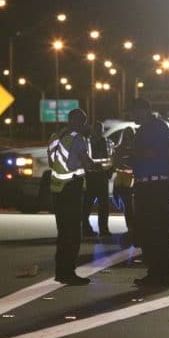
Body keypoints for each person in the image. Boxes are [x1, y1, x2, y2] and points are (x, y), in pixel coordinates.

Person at [48, 108, 95, 285]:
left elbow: (52, 162)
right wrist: (96, 165)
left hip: (57, 189)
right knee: (73, 234)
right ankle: (69, 273)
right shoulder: (78, 139)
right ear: (80, 122)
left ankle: (60, 272)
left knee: (63, 233)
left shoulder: (55, 137)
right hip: (72, 189)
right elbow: (86, 163)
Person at [130, 98, 169, 288]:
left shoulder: (159, 127)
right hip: (143, 185)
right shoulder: (141, 130)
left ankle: (164, 274)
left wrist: (133, 151)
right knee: (146, 232)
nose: (132, 116)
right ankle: (154, 272)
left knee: (158, 231)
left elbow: (152, 152)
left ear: (145, 110)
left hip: (156, 185)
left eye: (135, 112)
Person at [82, 121, 114, 237]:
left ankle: (104, 230)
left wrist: (109, 171)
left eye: (100, 129)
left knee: (103, 207)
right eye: (96, 129)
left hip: (102, 176)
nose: (98, 131)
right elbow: (83, 158)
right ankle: (85, 228)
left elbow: (111, 158)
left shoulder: (107, 142)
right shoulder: (87, 142)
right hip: (91, 177)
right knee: (87, 205)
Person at [113, 126, 136, 238]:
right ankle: (130, 227)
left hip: (134, 181)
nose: (128, 137)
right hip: (122, 181)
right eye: (127, 135)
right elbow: (116, 164)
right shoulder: (118, 148)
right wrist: (126, 167)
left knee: (133, 206)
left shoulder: (137, 148)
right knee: (127, 206)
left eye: (130, 134)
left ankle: (134, 227)